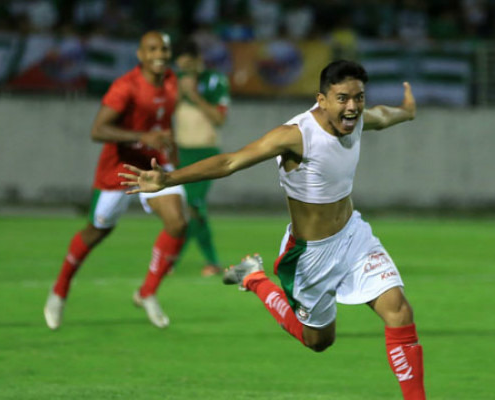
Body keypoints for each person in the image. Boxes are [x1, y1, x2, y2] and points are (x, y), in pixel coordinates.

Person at [121, 60, 425, 399]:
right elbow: (230, 161)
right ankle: (254, 278)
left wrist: (407, 112)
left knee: (399, 310)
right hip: (311, 255)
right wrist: (168, 179)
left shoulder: (354, 119)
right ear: (321, 99)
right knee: (319, 342)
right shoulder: (295, 136)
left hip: (354, 237)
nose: (352, 107)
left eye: (358, 97)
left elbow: (381, 117)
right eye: (342, 98)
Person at [44, 31, 187, 330]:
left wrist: (169, 147)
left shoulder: (172, 81)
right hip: (119, 169)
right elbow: (98, 130)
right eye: (152, 49)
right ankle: (59, 292)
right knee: (96, 232)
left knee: (177, 222)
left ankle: (147, 292)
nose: (159, 54)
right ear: (140, 55)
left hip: (154, 164)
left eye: (164, 48)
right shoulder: (126, 87)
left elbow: (163, 120)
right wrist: (141, 136)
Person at [174, 39, 230, 277]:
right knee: (187, 209)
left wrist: (194, 95)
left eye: (188, 65)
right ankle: (173, 259)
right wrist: (179, 92)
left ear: (198, 60)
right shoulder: (174, 82)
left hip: (205, 152)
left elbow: (219, 119)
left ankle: (210, 261)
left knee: (194, 206)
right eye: (181, 67)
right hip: (181, 152)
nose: (185, 71)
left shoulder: (215, 80)